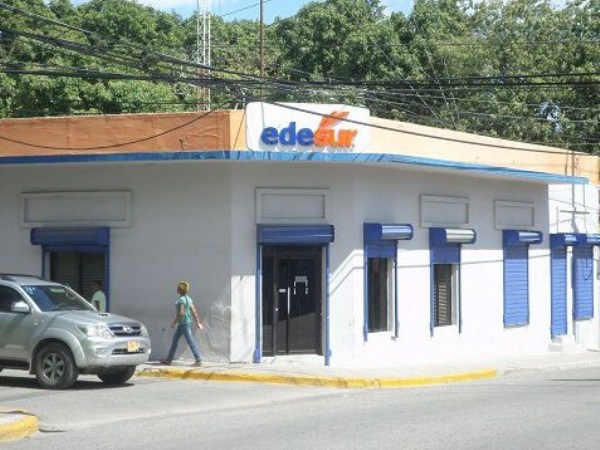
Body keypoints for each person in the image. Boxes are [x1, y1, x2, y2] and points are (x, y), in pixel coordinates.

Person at [161, 281, 203, 366]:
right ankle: (168, 360)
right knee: (175, 340)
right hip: (183, 324)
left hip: (184, 324)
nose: (176, 289)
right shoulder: (189, 299)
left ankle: (198, 360)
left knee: (190, 341)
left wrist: (174, 322)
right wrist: (198, 322)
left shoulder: (181, 300)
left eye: (178, 288)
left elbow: (181, 313)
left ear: (181, 290)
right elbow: (194, 311)